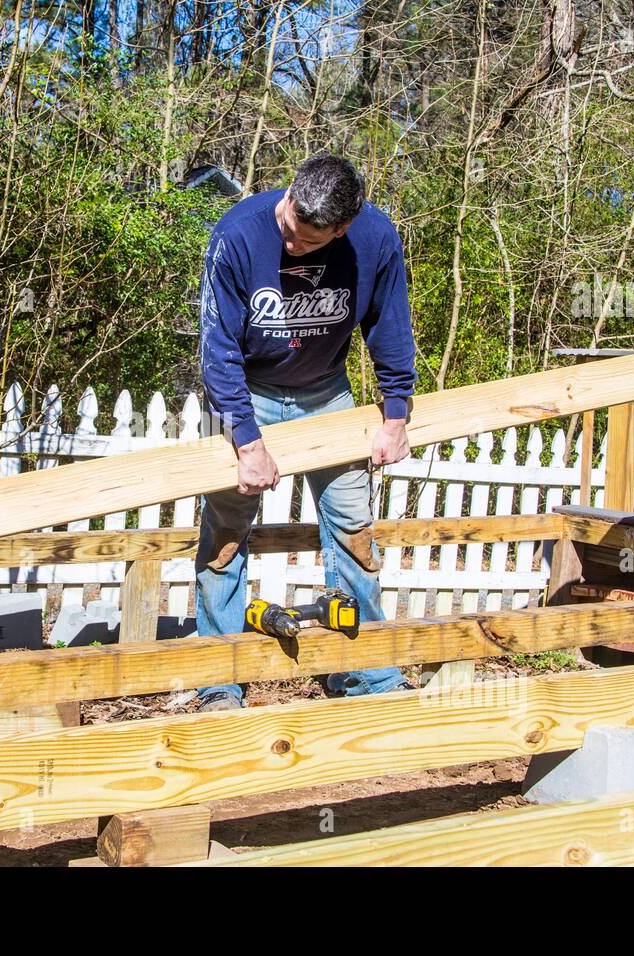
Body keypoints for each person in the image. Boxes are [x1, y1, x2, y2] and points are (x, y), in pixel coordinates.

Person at [194, 153, 417, 712]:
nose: (290, 245)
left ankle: (364, 678)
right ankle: (218, 680)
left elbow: (389, 325)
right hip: (241, 395)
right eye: (288, 228)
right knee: (223, 535)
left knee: (353, 529)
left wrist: (396, 416)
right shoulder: (238, 235)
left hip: (326, 392)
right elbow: (216, 348)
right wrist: (247, 442)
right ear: (290, 193)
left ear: (343, 228)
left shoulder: (375, 239)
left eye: (307, 242)